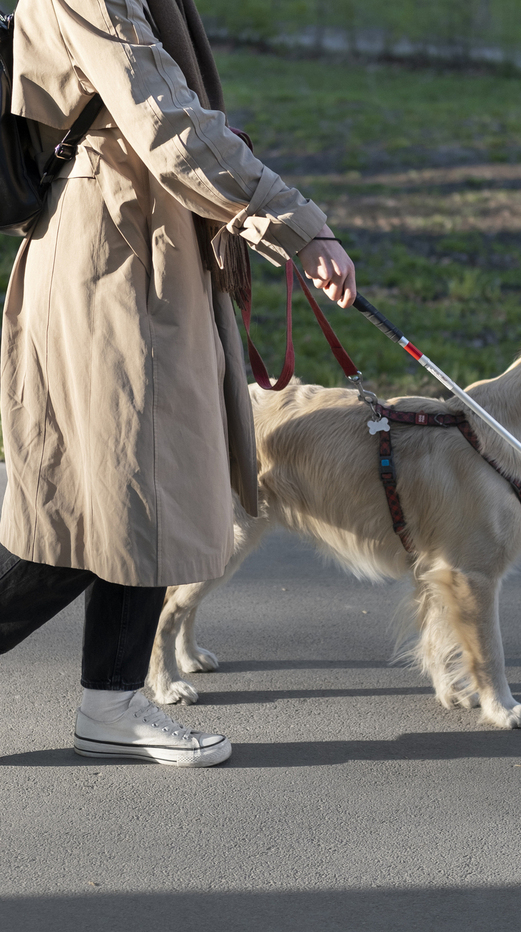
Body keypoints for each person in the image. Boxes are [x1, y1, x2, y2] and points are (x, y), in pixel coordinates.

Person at [0, 0, 356, 766]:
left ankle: (111, 701)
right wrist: (294, 221)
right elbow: (164, 117)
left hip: (139, 248)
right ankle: (114, 700)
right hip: (118, 257)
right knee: (96, 508)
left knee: (133, 495)